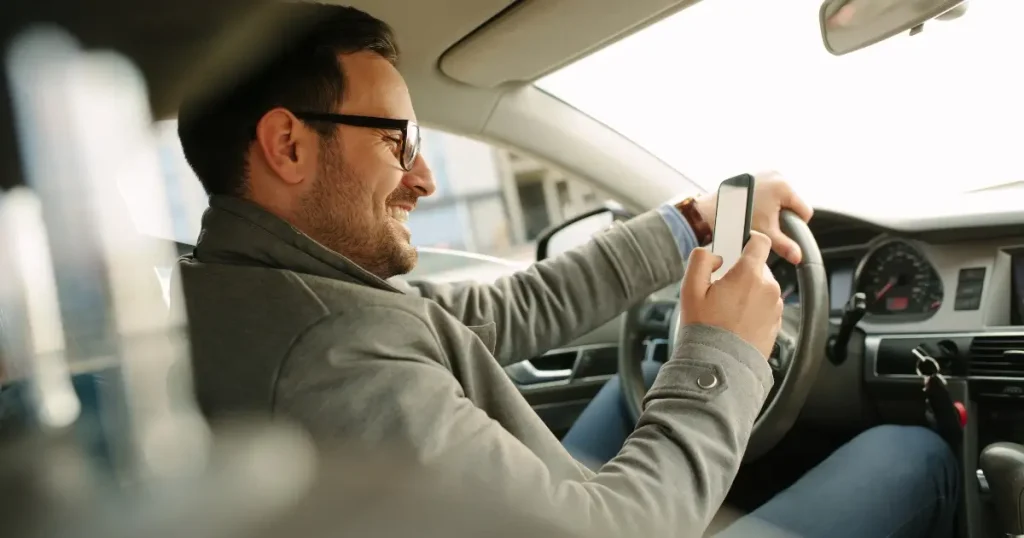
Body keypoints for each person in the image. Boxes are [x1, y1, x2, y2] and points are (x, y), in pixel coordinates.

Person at [173, 4, 959, 536]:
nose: (425, 178)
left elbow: (490, 317)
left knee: (635, 384)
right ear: (287, 146)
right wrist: (725, 357)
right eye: (397, 143)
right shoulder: (330, 353)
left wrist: (687, 225)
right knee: (910, 456)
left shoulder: (254, 289)